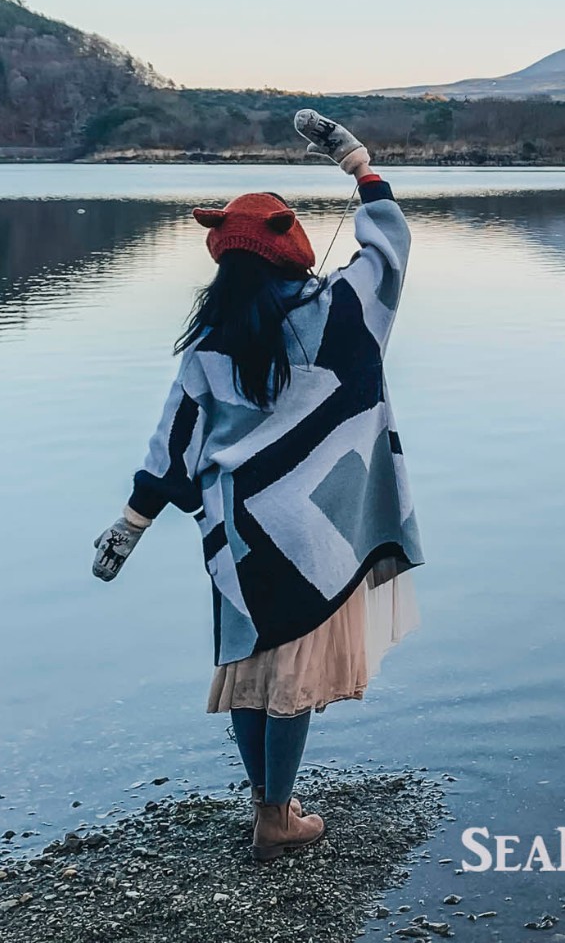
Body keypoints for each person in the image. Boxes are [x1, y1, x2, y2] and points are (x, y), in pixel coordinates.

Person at [90, 111, 422, 862]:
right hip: (319, 529)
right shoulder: (342, 310)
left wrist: (129, 527)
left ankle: (268, 804)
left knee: (251, 670)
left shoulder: (207, 345)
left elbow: (172, 448)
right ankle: (276, 820)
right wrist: (360, 166)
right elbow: (389, 247)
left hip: (237, 533)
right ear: (291, 253)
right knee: (295, 677)